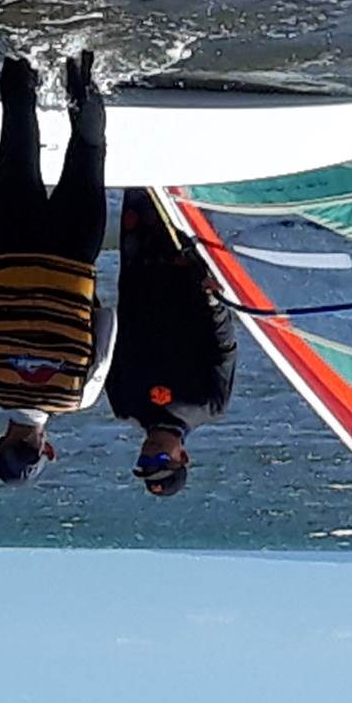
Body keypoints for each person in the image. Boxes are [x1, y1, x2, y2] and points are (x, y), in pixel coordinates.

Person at [0, 50, 113, 483]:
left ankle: (82, 54)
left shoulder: (80, 394)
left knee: (89, 148)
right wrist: (6, 302)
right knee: (17, 131)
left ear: (48, 448)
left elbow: (108, 319)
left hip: (74, 253)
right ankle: (24, 42)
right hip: (10, 245)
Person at [105, 186, 237, 496]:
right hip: (189, 274)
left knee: (139, 182)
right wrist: (215, 303)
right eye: (162, 460)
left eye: (145, 461)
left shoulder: (125, 405)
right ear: (183, 457)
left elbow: (108, 341)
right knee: (189, 186)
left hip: (139, 264)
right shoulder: (209, 405)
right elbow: (224, 349)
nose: (151, 454)